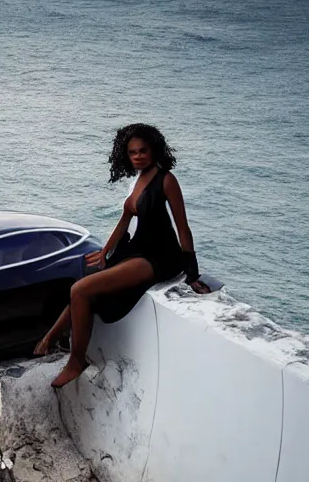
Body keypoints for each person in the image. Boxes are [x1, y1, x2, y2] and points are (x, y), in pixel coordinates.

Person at [34, 123, 210, 388]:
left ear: (154, 151)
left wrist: (192, 273)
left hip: (158, 257)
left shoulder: (166, 180)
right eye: (132, 152)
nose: (138, 156)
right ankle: (52, 337)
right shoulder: (139, 180)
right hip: (136, 249)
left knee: (81, 289)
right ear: (125, 156)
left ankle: (76, 360)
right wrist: (105, 252)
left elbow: (183, 227)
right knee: (87, 288)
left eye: (143, 151)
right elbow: (125, 219)